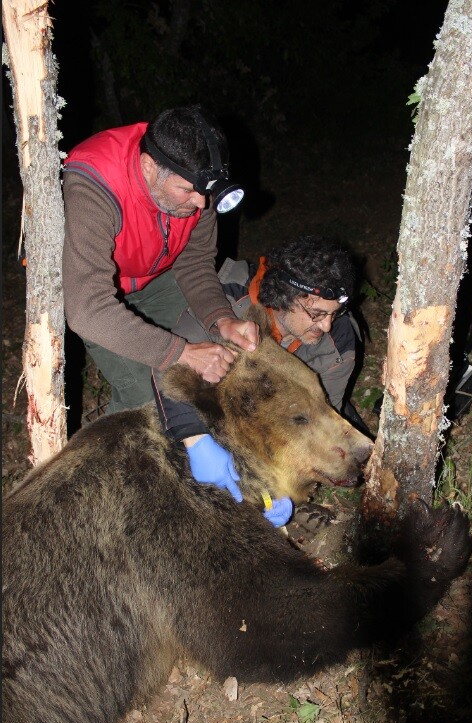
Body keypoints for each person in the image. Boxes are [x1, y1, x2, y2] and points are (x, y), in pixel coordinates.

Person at [61, 104, 290, 526]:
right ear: (149, 167)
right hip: (91, 292)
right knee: (145, 395)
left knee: (219, 359)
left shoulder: (200, 187)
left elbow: (196, 264)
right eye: (188, 191)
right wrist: (179, 352)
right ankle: (122, 499)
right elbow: (87, 308)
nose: (201, 203)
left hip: (155, 276)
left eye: (207, 194)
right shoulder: (94, 185)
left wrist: (222, 320)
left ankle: (224, 468)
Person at [158, 234, 367, 427]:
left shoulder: (339, 338)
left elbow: (325, 419)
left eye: (334, 313)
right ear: (285, 297)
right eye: (317, 314)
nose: (326, 325)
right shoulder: (224, 304)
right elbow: (166, 373)